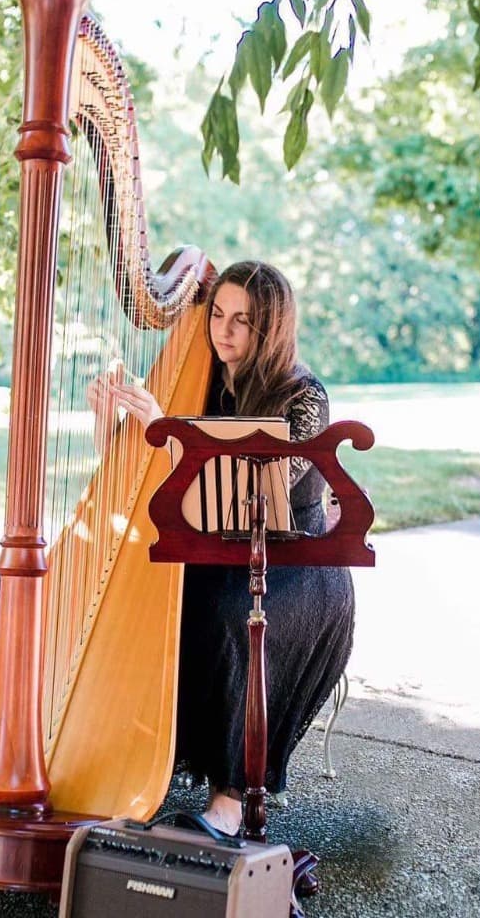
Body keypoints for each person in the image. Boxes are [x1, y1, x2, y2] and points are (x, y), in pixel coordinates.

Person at [86, 260, 354, 836]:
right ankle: (136, 765)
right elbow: (139, 477)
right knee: (160, 604)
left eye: (243, 321)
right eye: (217, 315)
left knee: (231, 613)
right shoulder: (203, 377)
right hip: (221, 550)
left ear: (273, 328)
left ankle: (231, 801)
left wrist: (171, 433)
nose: (223, 331)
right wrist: (110, 422)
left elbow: (261, 494)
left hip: (293, 562)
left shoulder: (302, 395)